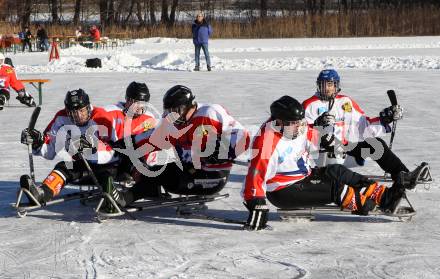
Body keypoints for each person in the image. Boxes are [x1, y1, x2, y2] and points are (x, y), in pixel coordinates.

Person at [242, 95, 424, 230]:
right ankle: (369, 205)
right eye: (294, 124)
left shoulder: (296, 126)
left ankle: (386, 198)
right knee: (337, 188)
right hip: (284, 190)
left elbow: (314, 135)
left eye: (300, 122)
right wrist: (256, 204)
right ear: (278, 122)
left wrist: (325, 136)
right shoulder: (266, 142)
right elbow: (255, 175)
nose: (299, 127)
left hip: (305, 175)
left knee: (337, 170)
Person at [110, 85, 250, 206]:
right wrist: (128, 143)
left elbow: (242, 135)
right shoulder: (176, 123)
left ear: (184, 107)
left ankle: (125, 199)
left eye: (174, 111)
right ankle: (147, 190)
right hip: (191, 170)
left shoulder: (209, 113)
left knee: (162, 173)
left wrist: (222, 151)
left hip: (213, 176)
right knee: (155, 166)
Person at [302, 69, 427, 183]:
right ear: (318, 85)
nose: (327, 88)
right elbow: (301, 135)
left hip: (346, 151)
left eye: (330, 84)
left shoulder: (345, 102)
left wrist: (385, 118)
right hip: (322, 155)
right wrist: (318, 128)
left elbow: (363, 126)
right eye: (323, 84)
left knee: (376, 145)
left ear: (336, 85)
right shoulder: (309, 105)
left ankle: (403, 175)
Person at [19, 89, 121, 206]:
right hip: (81, 165)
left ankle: (114, 198)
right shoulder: (61, 118)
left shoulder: (101, 116)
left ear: (88, 107)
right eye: (73, 113)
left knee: (106, 178)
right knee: (64, 166)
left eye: (82, 111)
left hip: (107, 166)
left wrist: (92, 149)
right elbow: (50, 150)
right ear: (67, 112)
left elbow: (115, 150)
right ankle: (42, 193)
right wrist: (37, 142)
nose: (78, 115)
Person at [102, 81, 158, 180]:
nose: (139, 107)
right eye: (135, 102)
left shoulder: (149, 118)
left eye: (143, 103)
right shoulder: (110, 112)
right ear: (127, 99)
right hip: (113, 160)